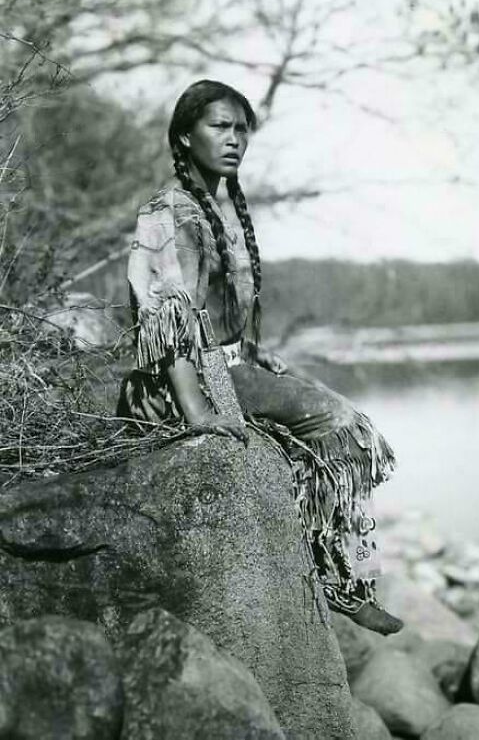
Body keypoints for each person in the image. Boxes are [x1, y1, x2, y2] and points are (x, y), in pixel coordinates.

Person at [117, 79, 403, 635]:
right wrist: (198, 413)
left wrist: (253, 354)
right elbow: (168, 323)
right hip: (186, 377)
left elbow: (219, 312)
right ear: (183, 137)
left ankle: (336, 571)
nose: (234, 141)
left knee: (334, 430)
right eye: (219, 127)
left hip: (225, 363)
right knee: (344, 426)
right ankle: (342, 583)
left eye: (241, 130)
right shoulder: (167, 213)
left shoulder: (213, 209)